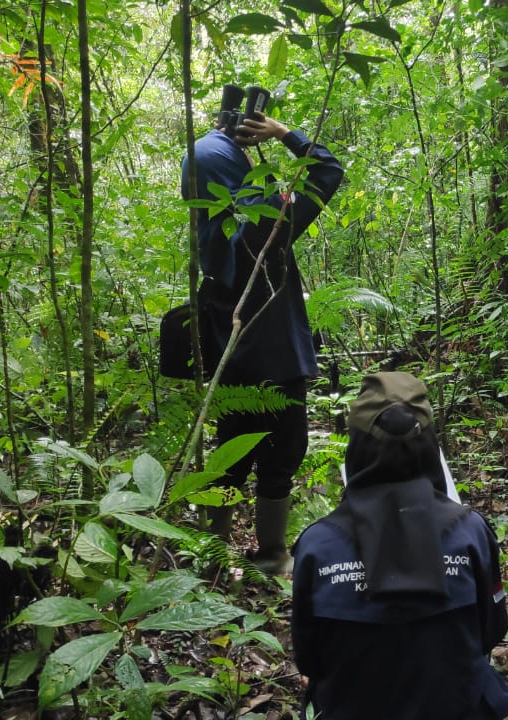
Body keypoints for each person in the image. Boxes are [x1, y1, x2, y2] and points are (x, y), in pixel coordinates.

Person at [180, 90, 345, 575]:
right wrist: (285, 135)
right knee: (282, 454)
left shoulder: (212, 230)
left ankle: (214, 559)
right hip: (276, 358)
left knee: (230, 453)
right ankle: (273, 556)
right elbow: (328, 172)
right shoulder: (263, 223)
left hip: (231, 358)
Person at [291, 372, 508, 720]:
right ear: (429, 447)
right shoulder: (470, 532)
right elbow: (493, 631)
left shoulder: (317, 546)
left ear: (357, 446)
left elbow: (308, 657)